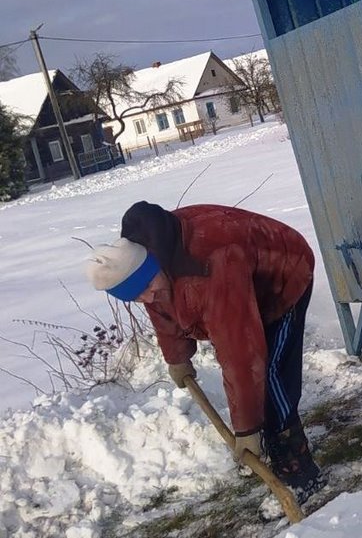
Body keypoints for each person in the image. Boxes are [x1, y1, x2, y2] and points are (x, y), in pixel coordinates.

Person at [84, 201, 323, 502]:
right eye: (136, 296)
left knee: (272, 377)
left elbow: (240, 353)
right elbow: (161, 307)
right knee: (258, 386)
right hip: (241, 281)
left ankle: (299, 473)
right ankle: (270, 448)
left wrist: (246, 427)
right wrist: (177, 357)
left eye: (145, 287)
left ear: (152, 264)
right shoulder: (148, 265)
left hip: (283, 274)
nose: (147, 297)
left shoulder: (211, 264)